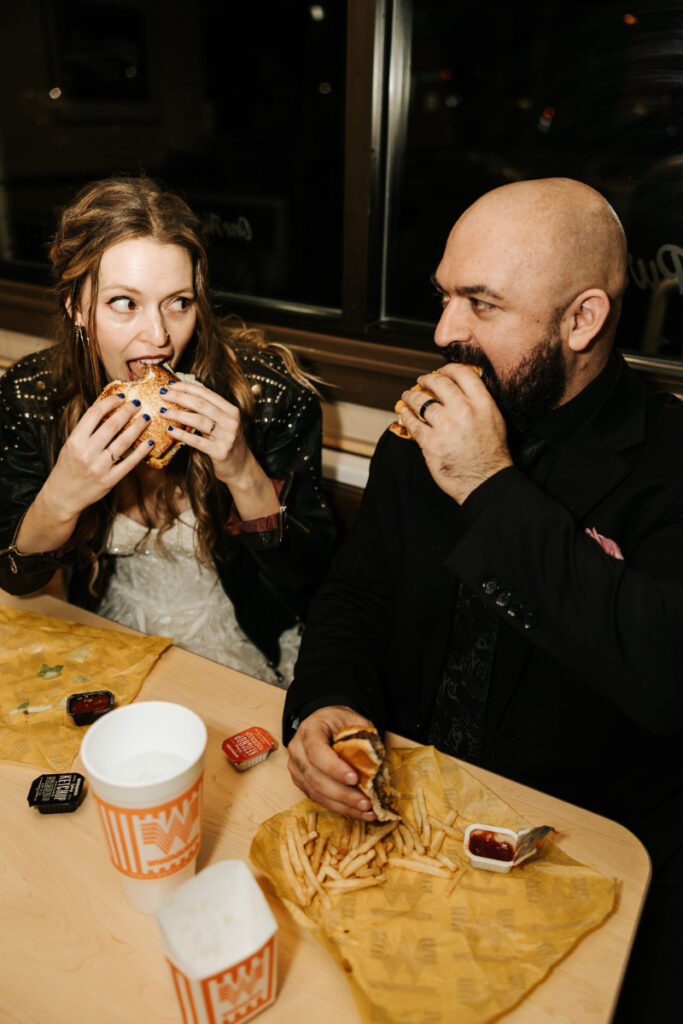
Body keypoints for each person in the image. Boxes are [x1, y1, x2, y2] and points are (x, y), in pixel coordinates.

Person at [282, 178, 682, 1020]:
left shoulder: (668, 460)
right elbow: (357, 594)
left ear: (581, 321)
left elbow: (664, 678)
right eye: (443, 297)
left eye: (481, 304)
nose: (442, 333)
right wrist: (326, 701)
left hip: (585, 858)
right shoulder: (427, 415)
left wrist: (489, 486)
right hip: (407, 824)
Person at [0, 176, 335, 684]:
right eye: (123, 303)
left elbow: (309, 578)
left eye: (178, 302)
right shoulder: (32, 396)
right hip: (105, 627)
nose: (158, 336)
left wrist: (243, 471)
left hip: (243, 636)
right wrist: (61, 496)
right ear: (76, 308)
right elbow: (18, 580)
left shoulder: (273, 397)